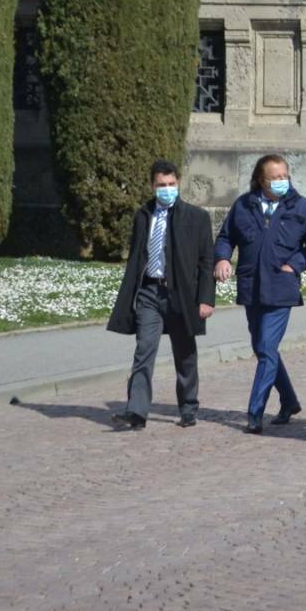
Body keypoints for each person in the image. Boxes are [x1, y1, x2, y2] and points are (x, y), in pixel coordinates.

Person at [215, 153, 306, 434]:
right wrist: (223, 258)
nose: (280, 181)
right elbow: (226, 237)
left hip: (281, 288)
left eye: (284, 176)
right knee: (264, 347)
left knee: (265, 349)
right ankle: (288, 401)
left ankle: (255, 412)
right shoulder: (244, 205)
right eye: (274, 177)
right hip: (252, 287)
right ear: (260, 180)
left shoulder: (301, 207)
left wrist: (296, 264)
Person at [106, 159, 216, 429]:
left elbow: (206, 262)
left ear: (178, 183)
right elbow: (137, 254)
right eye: (161, 185)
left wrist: (206, 298)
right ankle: (137, 412)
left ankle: (188, 407)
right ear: (152, 185)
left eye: (171, 184)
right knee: (144, 350)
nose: (166, 189)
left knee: (185, 353)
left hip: (182, 294)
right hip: (149, 292)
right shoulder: (143, 215)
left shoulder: (196, 217)